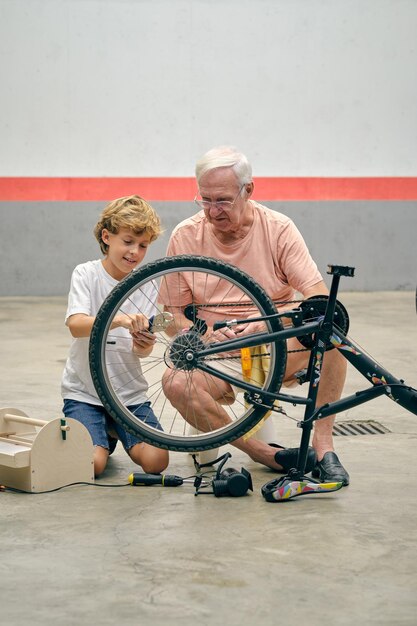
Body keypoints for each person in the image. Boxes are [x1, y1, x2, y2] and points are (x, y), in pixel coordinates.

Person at [161, 146, 349, 485]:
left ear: (248, 190)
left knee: (334, 339)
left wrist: (266, 325)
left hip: (276, 345)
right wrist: (202, 337)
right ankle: (264, 453)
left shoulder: (278, 228)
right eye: (205, 200)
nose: (213, 211)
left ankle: (323, 448)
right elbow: (173, 314)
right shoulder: (185, 236)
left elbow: (318, 298)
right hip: (217, 353)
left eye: (223, 200)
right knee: (174, 382)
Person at [61, 195, 169, 477]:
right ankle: (104, 436)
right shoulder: (86, 273)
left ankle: (114, 429)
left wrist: (143, 344)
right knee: (92, 465)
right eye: (128, 241)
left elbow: (142, 352)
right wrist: (118, 320)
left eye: (143, 245)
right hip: (85, 393)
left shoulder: (147, 282)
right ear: (107, 237)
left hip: (128, 394)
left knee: (157, 462)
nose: (135, 251)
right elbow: (76, 324)